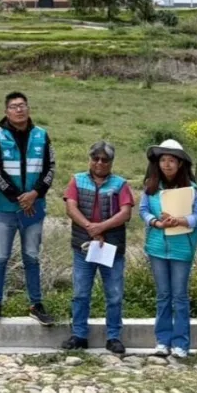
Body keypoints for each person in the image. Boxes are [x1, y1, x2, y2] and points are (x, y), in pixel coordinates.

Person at [0, 91, 56, 326]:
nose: (19, 109)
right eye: (14, 106)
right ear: (6, 111)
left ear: (28, 108)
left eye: (22, 105)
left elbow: (50, 168)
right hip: (4, 209)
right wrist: (19, 197)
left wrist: (35, 194)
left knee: (32, 257)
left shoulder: (42, 135)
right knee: (0, 257)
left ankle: (36, 304)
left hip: (34, 208)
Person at [61, 141, 134, 354]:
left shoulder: (120, 184)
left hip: (112, 248)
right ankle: (79, 335)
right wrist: (90, 228)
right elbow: (70, 207)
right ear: (90, 159)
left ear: (111, 162)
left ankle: (113, 337)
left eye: (105, 159)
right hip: (83, 246)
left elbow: (125, 213)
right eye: (96, 158)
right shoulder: (77, 180)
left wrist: (101, 227)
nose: (100, 163)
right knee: (80, 293)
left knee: (114, 294)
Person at [139, 139, 197, 359]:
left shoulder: (190, 189)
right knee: (163, 295)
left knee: (180, 296)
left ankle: (181, 343)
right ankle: (162, 341)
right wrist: (156, 222)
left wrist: (180, 221)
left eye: (171, 161)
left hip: (181, 249)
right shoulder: (150, 186)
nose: (167, 164)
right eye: (163, 160)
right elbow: (143, 210)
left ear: (180, 164)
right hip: (157, 248)